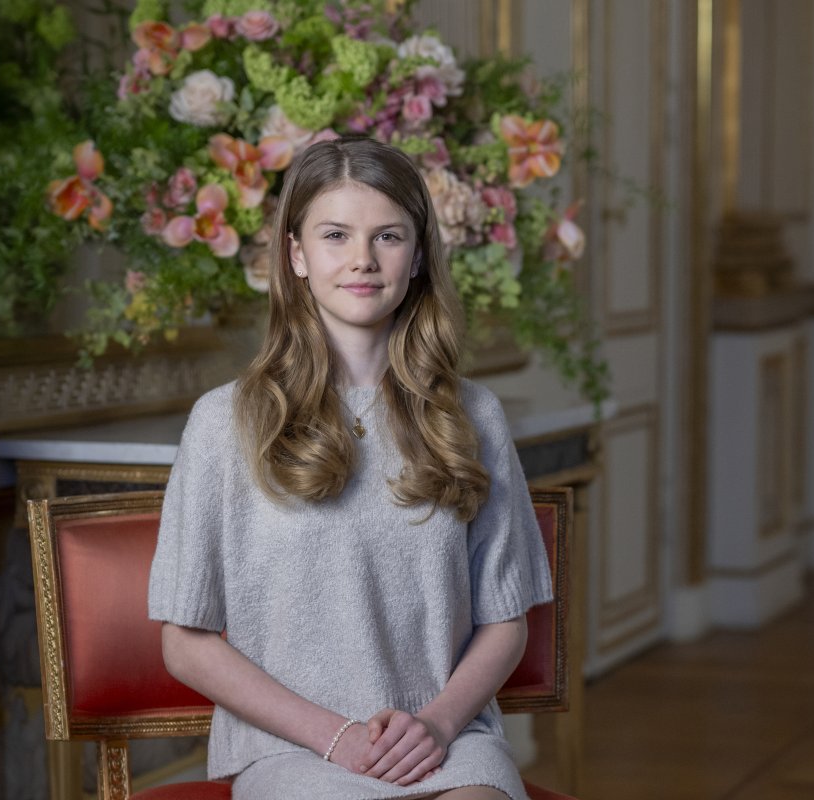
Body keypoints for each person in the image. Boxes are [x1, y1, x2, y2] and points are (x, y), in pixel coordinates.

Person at [147, 136, 554, 799]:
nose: (362, 259)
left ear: (418, 254)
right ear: (297, 254)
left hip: (446, 742)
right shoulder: (225, 423)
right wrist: (336, 735)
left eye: (387, 236)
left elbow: (506, 621)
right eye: (336, 234)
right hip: (294, 748)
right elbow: (185, 643)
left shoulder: (473, 415)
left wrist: (439, 724)